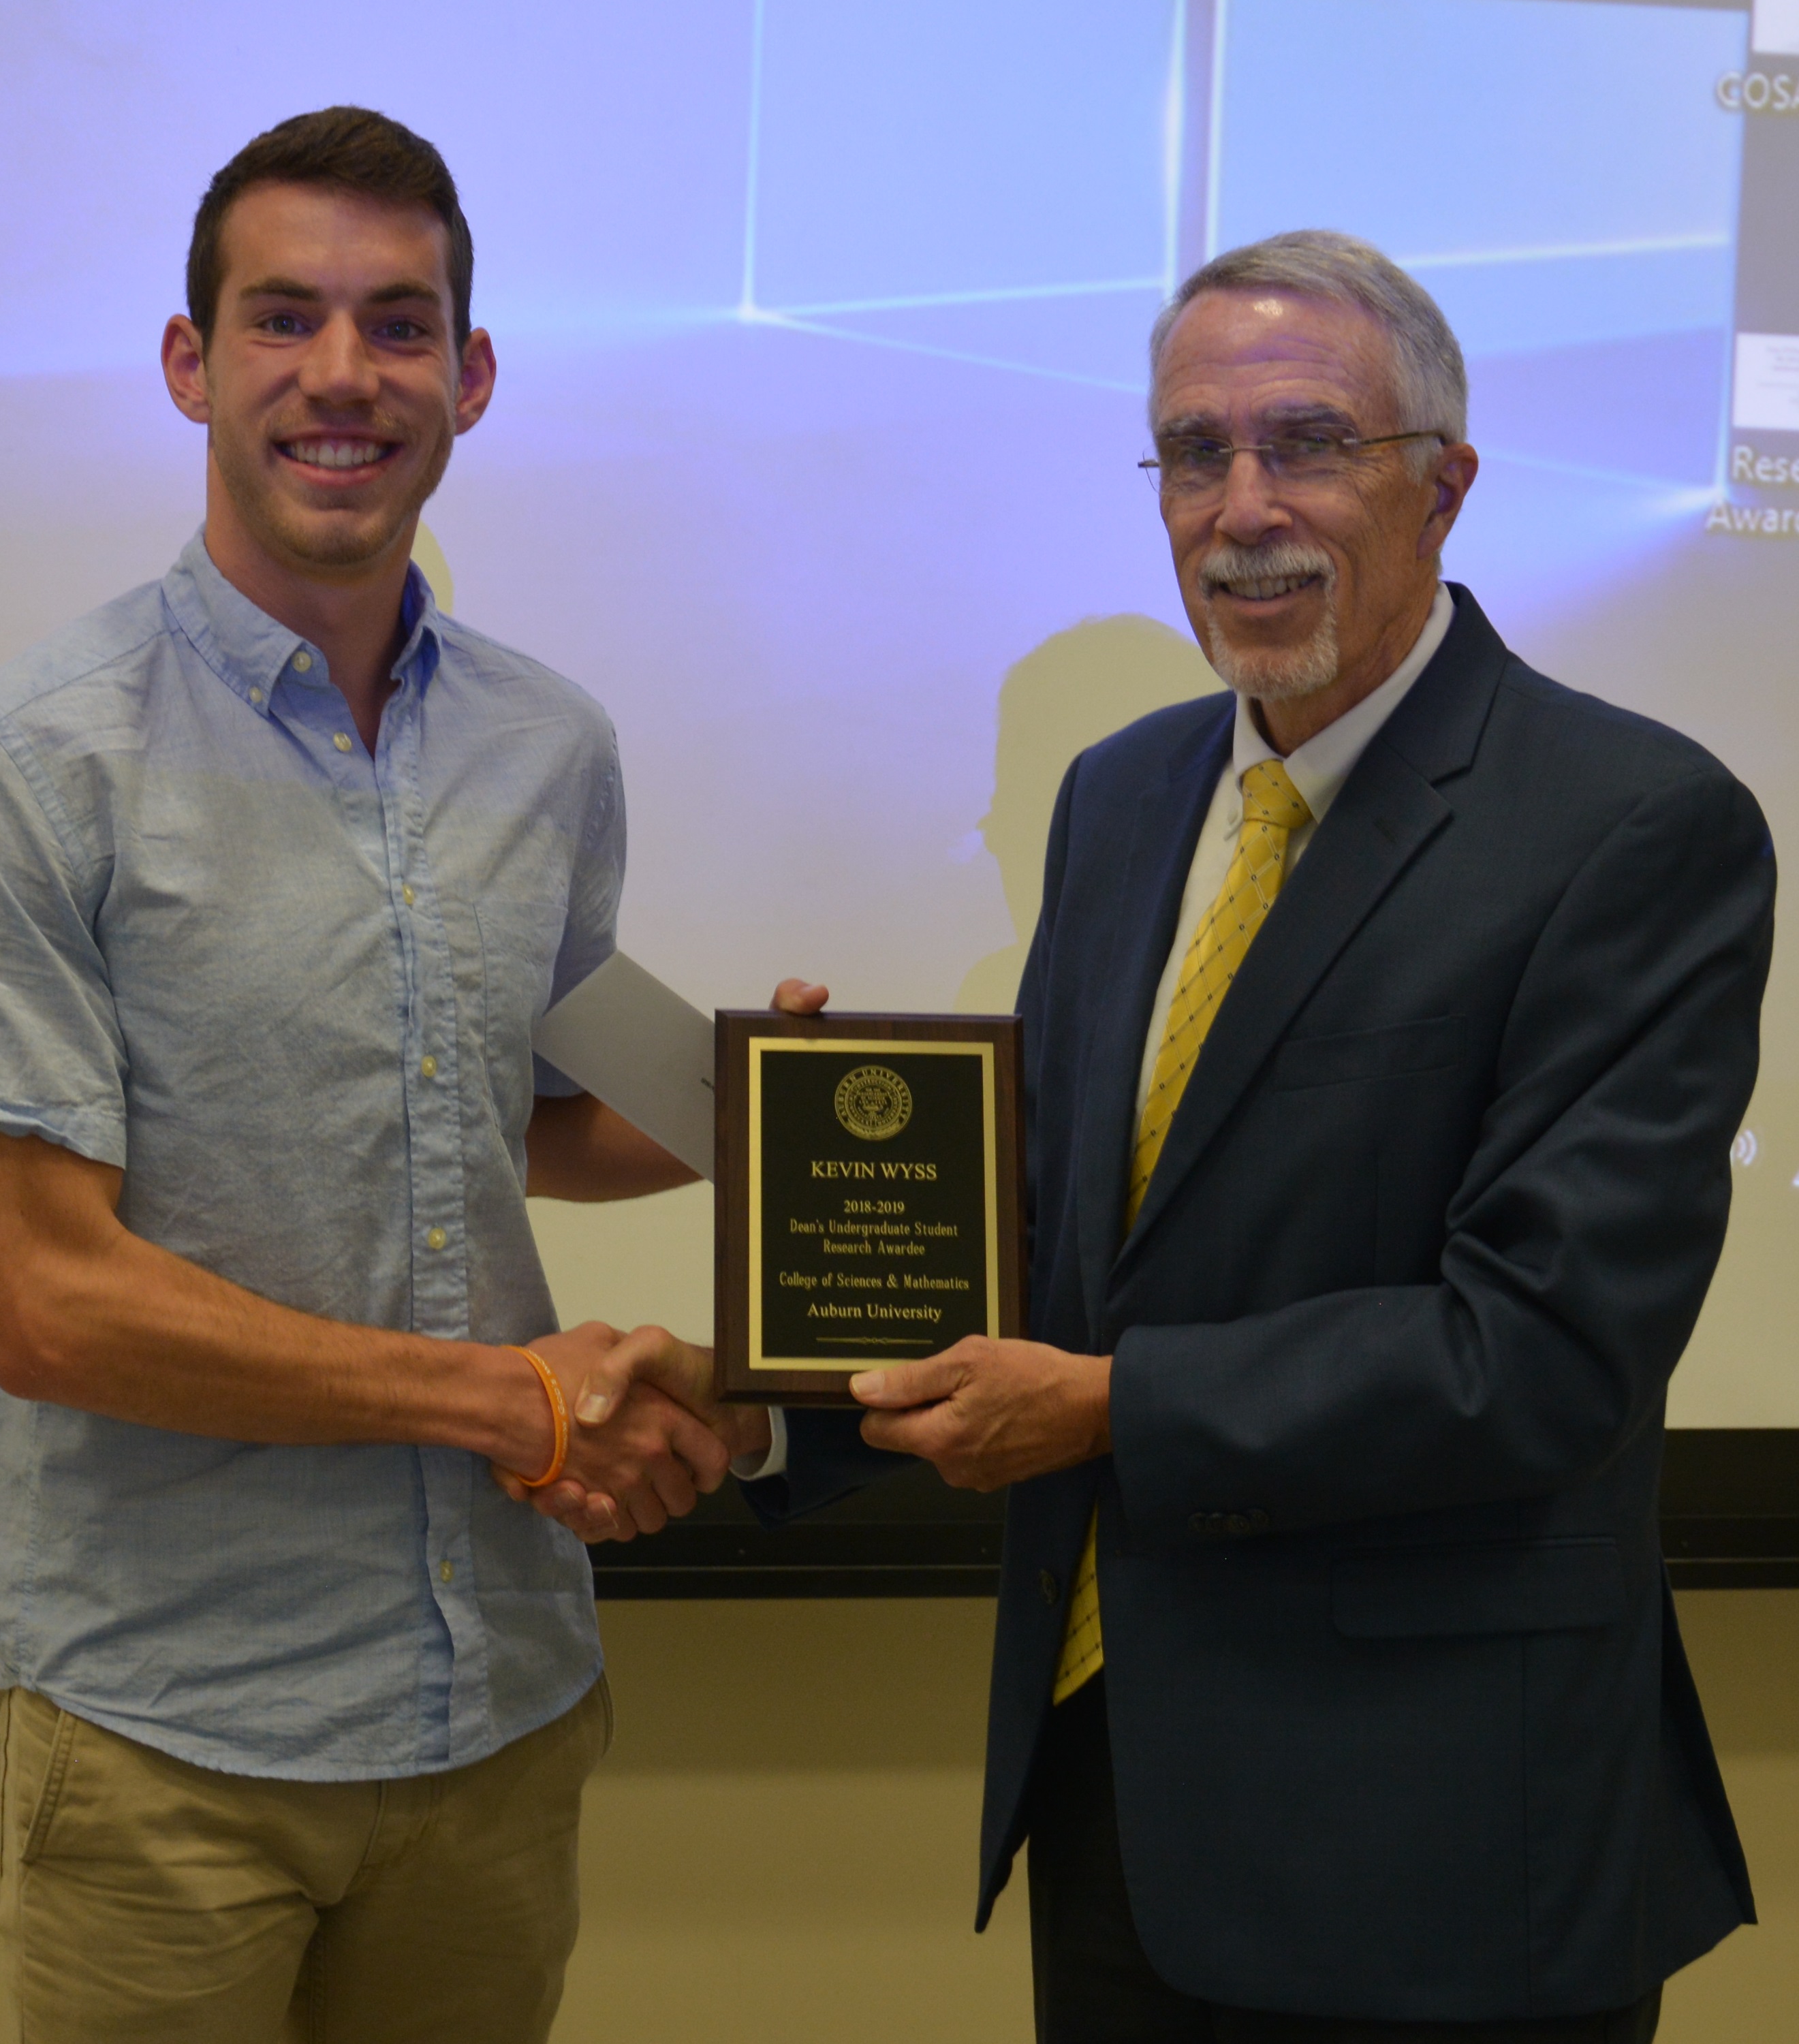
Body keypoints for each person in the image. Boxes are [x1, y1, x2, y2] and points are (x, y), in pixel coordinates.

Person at [550, 232, 1774, 2039]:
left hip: (1441, 1849)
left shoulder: (1629, 826)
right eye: (1192, 452)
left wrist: (1110, 1405)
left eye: (1306, 444)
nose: (1240, 505)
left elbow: (1538, 1350)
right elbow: (1051, 1250)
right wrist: (762, 1394)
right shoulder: (1121, 796)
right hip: (1117, 1795)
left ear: (1442, 483)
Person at [0, 106, 736, 2044]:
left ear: (472, 373)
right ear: (189, 363)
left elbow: (503, 1121)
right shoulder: (18, 763)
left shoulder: (550, 743)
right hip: (174, 1737)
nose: (342, 375)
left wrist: (784, 1120)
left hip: (498, 1711)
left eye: (398, 322)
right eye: (282, 319)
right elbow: (47, 1302)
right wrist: (510, 1397)